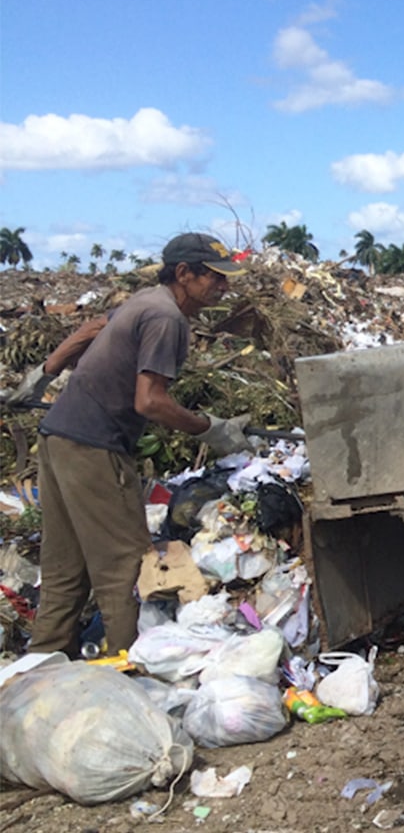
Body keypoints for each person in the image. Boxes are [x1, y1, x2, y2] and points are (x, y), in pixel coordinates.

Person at [4, 232, 254, 657]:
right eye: (214, 277)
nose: (223, 286)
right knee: (125, 568)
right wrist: (210, 428)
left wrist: (45, 371)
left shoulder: (145, 300)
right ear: (183, 273)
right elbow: (150, 401)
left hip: (58, 437)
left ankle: (41, 665)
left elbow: (93, 327)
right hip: (94, 448)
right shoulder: (167, 318)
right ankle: (134, 670)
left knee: (66, 566)